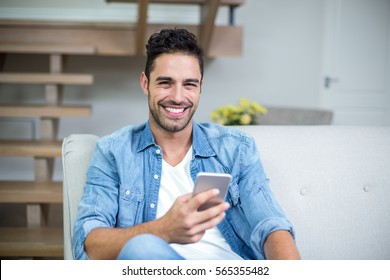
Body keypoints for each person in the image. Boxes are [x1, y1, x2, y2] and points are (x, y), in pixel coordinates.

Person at [73, 28, 300, 260]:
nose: (178, 97)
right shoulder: (113, 152)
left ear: (201, 86)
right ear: (145, 83)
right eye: (165, 83)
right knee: (141, 248)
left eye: (189, 84)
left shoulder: (235, 149)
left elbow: (271, 225)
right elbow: (89, 243)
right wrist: (163, 230)